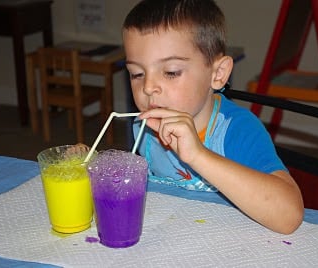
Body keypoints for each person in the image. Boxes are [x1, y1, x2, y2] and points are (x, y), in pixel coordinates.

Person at [122, 0, 304, 234]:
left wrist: (198, 155)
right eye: (137, 74)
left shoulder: (236, 130)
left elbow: (289, 217)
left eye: (171, 72)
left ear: (217, 74)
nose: (148, 87)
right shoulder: (144, 128)